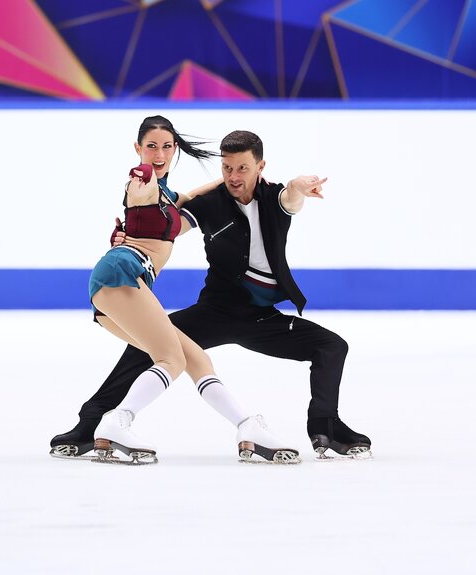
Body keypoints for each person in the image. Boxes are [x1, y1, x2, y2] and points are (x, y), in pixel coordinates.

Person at [51, 128, 372, 461]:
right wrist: (132, 234)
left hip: (262, 319)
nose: (233, 176)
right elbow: (168, 227)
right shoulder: (210, 205)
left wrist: (299, 187)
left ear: (260, 167)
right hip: (215, 312)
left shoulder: (275, 198)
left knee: (332, 346)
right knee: (146, 345)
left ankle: (326, 428)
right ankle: (91, 424)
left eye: (242, 168)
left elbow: (291, 198)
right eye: (226, 168)